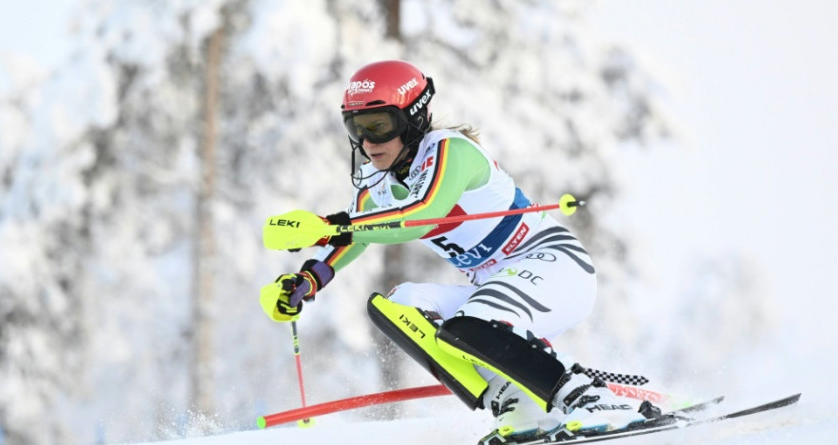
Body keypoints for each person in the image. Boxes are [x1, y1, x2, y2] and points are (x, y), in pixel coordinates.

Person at [259, 60, 651, 444]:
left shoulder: (450, 150)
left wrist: (330, 227)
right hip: (498, 285)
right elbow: (357, 237)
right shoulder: (375, 186)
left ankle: (591, 398)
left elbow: (422, 215)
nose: (367, 142)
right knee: (401, 306)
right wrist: (306, 282)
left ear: (412, 118)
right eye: (356, 128)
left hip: (554, 267)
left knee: (473, 324)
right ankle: (516, 401)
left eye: (379, 126)